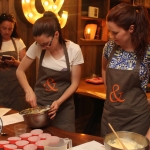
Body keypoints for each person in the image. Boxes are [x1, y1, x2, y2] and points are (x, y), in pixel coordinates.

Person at [16, 11, 84, 132]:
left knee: (65, 139)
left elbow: (74, 83)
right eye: (39, 44)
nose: (43, 47)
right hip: (40, 106)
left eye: (46, 44)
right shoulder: (37, 46)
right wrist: (29, 91)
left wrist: (58, 102)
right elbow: (20, 70)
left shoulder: (74, 50)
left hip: (63, 106)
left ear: (56, 34)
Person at [101, 3, 150, 137]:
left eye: (115, 32)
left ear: (131, 28)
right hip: (110, 117)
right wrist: (109, 92)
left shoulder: (147, 52)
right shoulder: (109, 47)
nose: (111, 36)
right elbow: (104, 69)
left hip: (137, 119)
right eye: (110, 31)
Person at [0, 13, 28, 111]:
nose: (7, 32)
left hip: (16, 90)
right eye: (4, 28)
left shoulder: (18, 41)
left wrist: (14, 62)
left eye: (10, 29)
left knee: (18, 119)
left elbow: (25, 65)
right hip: (1, 89)